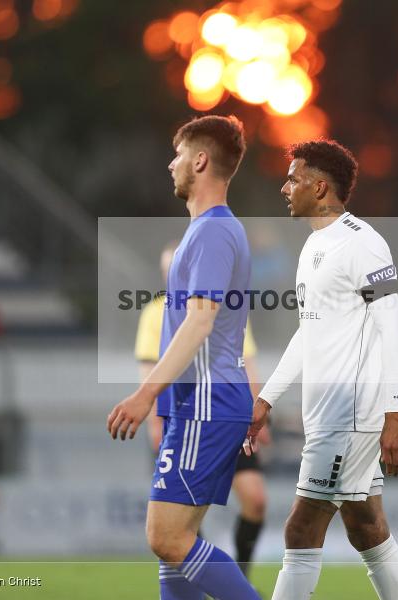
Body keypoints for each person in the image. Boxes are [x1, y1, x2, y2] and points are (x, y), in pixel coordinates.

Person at [245, 140, 398, 600]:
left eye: (294, 177)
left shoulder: (362, 243)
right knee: (365, 527)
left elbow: (392, 328)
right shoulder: (313, 246)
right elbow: (309, 334)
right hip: (331, 412)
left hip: (351, 413)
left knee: (301, 528)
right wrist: (266, 398)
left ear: (320, 187)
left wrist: (395, 413)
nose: (285, 186)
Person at [108, 115, 260, 600]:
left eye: (178, 154)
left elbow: (200, 322)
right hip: (202, 405)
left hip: (207, 404)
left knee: (167, 537)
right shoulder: (206, 231)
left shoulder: (213, 232)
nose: (171, 163)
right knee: (176, 543)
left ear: (199, 160)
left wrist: (144, 394)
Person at [135, 242, 270, 579]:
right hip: (184, 419)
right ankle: (210, 582)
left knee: (256, 500)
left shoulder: (228, 308)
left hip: (227, 415)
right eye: (169, 271)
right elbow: (150, 367)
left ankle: (239, 576)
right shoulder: (155, 312)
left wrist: (258, 408)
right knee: (181, 522)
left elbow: (247, 362)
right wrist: (155, 420)